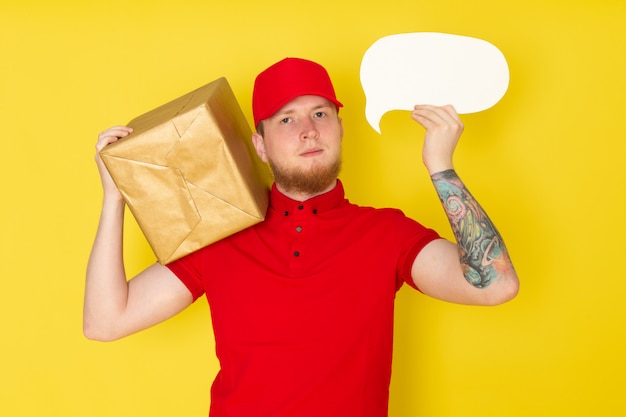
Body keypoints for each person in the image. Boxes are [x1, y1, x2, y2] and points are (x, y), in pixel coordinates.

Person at [84, 57, 519, 417]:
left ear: (340, 127)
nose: (307, 130)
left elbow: (496, 285)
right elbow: (105, 322)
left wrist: (441, 167)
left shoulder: (388, 233)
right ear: (260, 145)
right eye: (286, 119)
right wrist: (115, 197)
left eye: (320, 114)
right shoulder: (220, 236)